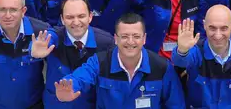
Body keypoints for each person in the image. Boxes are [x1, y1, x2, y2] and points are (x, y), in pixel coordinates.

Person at [47, 13, 186, 108]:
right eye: (124, 36)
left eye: (136, 36)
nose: (130, 42)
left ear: (144, 39)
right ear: (115, 38)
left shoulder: (162, 67)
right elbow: (81, 77)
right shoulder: (100, 63)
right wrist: (70, 87)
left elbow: (176, 105)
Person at [30, 0, 115, 108]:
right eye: (70, 17)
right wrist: (33, 51)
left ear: (90, 17)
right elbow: (45, 40)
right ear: (62, 19)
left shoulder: (105, 42)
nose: (76, 22)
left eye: (81, 16)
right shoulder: (55, 37)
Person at [172, 6, 231, 108]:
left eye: (224, 28)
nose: (218, 35)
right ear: (204, 25)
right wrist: (182, 50)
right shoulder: (196, 51)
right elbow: (180, 61)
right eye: (212, 28)